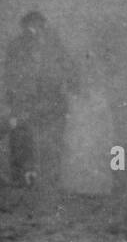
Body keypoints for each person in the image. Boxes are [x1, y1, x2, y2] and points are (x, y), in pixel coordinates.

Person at [5, 11, 76, 188]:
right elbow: (11, 73)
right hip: (24, 99)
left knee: (50, 140)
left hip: (49, 98)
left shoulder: (53, 45)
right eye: (31, 26)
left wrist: (66, 85)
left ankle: (50, 178)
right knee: (21, 137)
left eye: (38, 25)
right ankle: (21, 177)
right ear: (24, 27)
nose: (34, 30)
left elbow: (66, 66)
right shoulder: (17, 46)